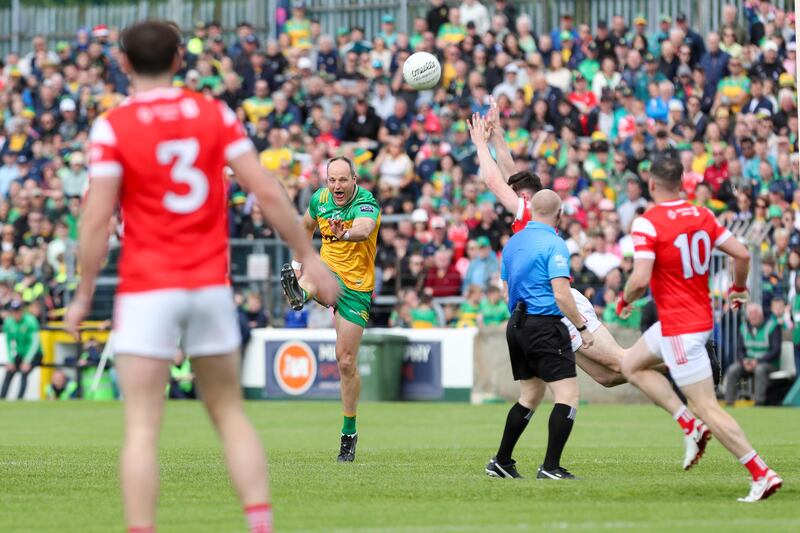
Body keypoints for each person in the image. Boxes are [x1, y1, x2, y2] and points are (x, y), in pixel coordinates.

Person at [64, 20, 339, 533]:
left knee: (143, 429)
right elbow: (268, 189)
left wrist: (82, 295)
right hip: (209, 284)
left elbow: (96, 219)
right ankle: (260, 524)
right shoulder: (213, 112)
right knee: (230, 415)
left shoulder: (113, 125)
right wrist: (310, 255)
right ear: (177, 61)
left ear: (123, 64)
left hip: (147, 288)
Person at [470, 110, 723, 468]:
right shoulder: (531, 213)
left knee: (624, 363)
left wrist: (481, 143)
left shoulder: (528, 215)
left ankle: (687, 377)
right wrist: (495, 138)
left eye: (519, 192)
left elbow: (497, 180)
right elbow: (508, 174)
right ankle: (680, 365)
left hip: (559, 304)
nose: (513, 194)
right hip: (546, 306)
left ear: (529, 197)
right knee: (608, 377)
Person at [618, 158, 782, 502]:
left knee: (707, 407)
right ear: (682, 183)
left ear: (651, 185)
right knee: (629, 365)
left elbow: (640, 278)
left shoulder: (647, 224)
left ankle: (760, 472)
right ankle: (688, 423)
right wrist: (738, 288)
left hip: (680, 328)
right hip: (695, 321)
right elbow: (741, 254)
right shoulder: (703, 215)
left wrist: (625, 298)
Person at [486, 189, 593, 480]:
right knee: (568, 394)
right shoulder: (555, 244)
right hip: (543, 324)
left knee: (530, 395)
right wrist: (582, 327)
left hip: (516, 325)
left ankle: (502, 461)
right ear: (559, 215)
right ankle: (550, 466)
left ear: (532, 212)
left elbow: (506, 289)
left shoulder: (512, 243)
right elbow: (561, 294)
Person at [280, 156, 381, 462]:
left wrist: (343, 233)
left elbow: (364, 229)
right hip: (328, 270)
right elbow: (305, 227)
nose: (337, 186)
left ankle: (349, 433)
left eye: (342, 180)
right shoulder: (320, 200)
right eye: (331, 180)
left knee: (346, 361)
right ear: (326, 182)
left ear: (354, 180)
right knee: (318, 273)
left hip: (357, 288)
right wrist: (298, 264)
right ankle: (301, 292)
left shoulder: (367, 203)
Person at [724, 303, 782, 406]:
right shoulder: (744, 327)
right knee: (732, 370)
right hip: (748, 362)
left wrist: (758, 361)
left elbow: (776, 351)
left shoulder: (773, 326)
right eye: (750, 313)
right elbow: (740, 350)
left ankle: (759, 402)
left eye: (755, 313)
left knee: (760, 369)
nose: (753, 316)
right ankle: (729, 402)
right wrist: (743, 361)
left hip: (769, 364)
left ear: (761, 314)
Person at [1, 299, 41, 400]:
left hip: (35, 353)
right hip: (21, 353)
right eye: (14, 311)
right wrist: (10, 360)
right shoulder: (9, 323)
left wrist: (27, 361)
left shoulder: (30, 321)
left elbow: (34, 343)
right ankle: (2, 398)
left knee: (24, 372)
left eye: (18, 310)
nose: (16, 313)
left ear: (22, 310)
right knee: (9, 371)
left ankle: (20, 399)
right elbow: (9, 343)